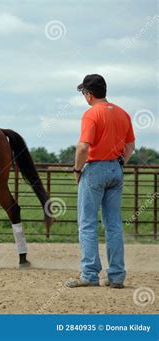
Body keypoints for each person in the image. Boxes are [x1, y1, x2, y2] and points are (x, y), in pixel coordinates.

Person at [67, 74, 135, 289]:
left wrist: (78, 169)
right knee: (113, 224)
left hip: (95, 170)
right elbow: (131, 146)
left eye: (84, 93)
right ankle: (116, 276)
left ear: (88, 94)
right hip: (116, 168)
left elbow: (83, 147)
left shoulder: (91, 114)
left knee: (87, 223)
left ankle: (90, 274)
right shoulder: (123, 113)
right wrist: (119, 162)